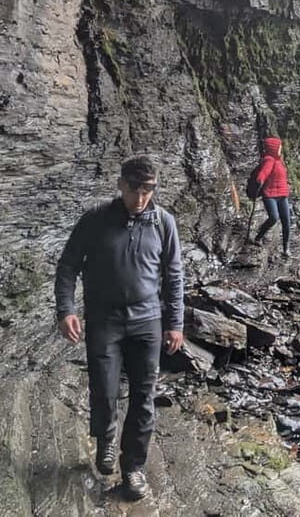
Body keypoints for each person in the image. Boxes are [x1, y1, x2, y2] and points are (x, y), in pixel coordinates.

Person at [54, 155, 184, 501]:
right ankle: (105, 439)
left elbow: (173, 276)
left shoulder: (163, 222)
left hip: (146, 322)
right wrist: (66, 310)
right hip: (103, 321)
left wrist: (175, 323)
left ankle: (134, 468)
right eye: (134, 189)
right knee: (104, 389)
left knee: (144, 397)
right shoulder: (95, 220)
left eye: (148, 190)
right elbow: (67, 267)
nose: (140, 198)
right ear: (120, 184)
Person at [252, 137, 291, 257]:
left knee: (286, 222)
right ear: (274, 148)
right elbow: (264, 173)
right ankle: (258, 237)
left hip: (282, 194)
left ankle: (285, 248)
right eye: (279, 147)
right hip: (270, 194)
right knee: (274, 217)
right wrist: (260, 180)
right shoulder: (269, 160)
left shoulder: (280, 161)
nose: (281, 149)